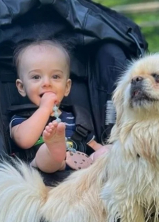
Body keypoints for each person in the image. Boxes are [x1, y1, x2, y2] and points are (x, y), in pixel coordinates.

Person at [9, 39, 108, 173]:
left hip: (82, 170)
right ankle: (54, 148)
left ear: (67, 87)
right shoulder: (21, 119)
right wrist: (45, 108)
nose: (46, 83)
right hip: (42, 169)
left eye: (55, 76)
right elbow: (24, 141)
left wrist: (105, 151)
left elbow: (93, 144)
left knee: (108, 151)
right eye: (36, 77)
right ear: (21, 87)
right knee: (46, 153)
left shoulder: (76, 118)